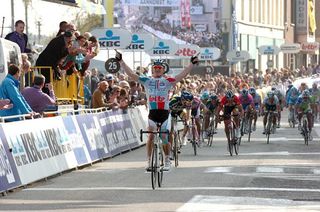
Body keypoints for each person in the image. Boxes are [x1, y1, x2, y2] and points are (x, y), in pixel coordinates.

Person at [116, 50, 199, 171]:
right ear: (153, 69)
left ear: (163, 69)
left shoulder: (167, 81)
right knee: (150, 136)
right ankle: (149, 161)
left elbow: (181, 75)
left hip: (164, 114)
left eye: (160, 67)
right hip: (152, 114)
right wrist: (121, 61)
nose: (158, 69)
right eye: (156, 67)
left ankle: (166, 159)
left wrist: (191, 64)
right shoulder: (147, 81)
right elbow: (132, 75)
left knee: (164, 138)